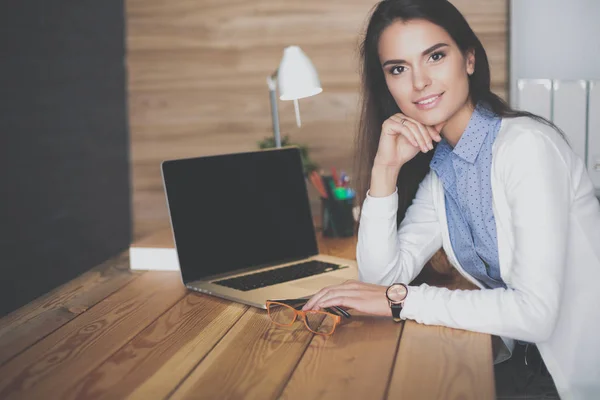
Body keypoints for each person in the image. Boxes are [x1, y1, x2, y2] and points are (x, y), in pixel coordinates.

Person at [301, 0, 600, 398]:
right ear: (386, 83)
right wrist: (384, 170)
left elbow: (536, 314)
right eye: (398, 68)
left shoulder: (525, 147)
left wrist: (403, 299)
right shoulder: (445, 168)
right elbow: (380, 281)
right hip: (527, 364)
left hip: (578, 376)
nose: (419, 82)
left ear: (470, 59)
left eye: (435, 56)